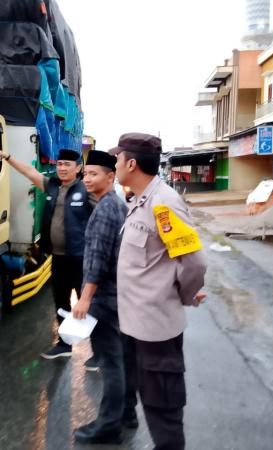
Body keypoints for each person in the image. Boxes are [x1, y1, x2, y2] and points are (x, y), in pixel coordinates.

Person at [111, 132, 207, 450]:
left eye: (118, 158)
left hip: (156, 328)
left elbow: (193, 262)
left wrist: (181, 295)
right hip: (137, 325)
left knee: (162, 406)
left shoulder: (163, 204)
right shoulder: (140, 201)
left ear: (132, 163)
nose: (115, 163)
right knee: (148, 399)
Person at [0, 146, 95, 360]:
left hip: (81, 258)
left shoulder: (86, 189)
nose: (62, 168)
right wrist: (6, 156)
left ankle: (100, 352)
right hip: (58, 258)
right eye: (60, 164)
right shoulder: (52, 186)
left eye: (67, 165)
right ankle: (64, 344)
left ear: (78, 168)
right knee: (61, 301)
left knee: (90, 304)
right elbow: (30, 172)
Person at [71, 150, 127, 445]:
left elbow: (98, 258)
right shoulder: (116, 204)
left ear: (110, 176)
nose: (87, 179)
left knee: (110, 362)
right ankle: (124, 415)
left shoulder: (106, 208)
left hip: (104, 299)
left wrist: (84, 298)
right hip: (116, 296)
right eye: (86, 174)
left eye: (94, 174)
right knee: (119, 359)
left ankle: (108, 426)